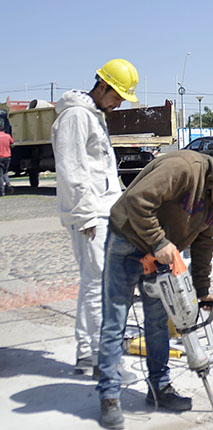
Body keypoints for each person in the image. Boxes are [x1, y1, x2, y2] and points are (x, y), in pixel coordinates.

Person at [97, 151, 213, 430]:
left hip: (161, 252)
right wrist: (158, 242)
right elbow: (136, 200)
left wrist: (202, 291)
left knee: (157, 322)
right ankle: (109, 396)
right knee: (115, 318)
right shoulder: (183, 169)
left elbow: (204, 242)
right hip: (127, 238)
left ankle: (160, 387)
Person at [51, 58, 139, 377]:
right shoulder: (76, 116)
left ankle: (87, 352)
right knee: (100, 285)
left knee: (95, 282)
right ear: (102, 85)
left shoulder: (92, 115)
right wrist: (87, 215)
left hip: (102, 212)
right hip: (90, 215)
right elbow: (72, 168)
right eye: (117, 96)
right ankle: (105, 358)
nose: (118, 103)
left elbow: (100, 170)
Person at [0, 120, 13, 196]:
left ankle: (2, 192)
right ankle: (8, 184)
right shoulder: (7, 136)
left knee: (0, 175)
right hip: (7, 157)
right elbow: (12, 142)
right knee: (5, 172)